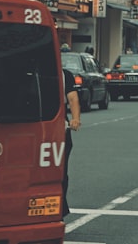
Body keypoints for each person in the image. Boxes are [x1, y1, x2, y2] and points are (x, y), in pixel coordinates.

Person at [61, 68, 81, 219]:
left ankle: (60, 207)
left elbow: (73, 98)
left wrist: (75, 119)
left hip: (57, 125)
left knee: (60, 171)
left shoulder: (63, 75)